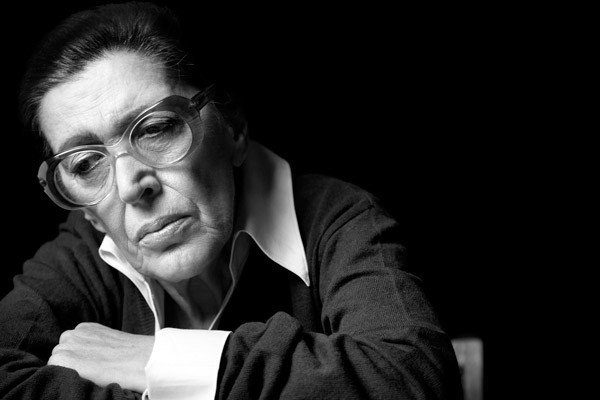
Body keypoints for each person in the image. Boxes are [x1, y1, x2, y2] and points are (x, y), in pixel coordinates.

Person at [0, 2, 462, 399]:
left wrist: (162, 363)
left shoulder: (335, 217)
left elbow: (413, 376)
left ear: (234, 128)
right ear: (87, 213)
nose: (129, 187)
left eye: (157, 128)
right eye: (85, 165)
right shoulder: (80, 254)